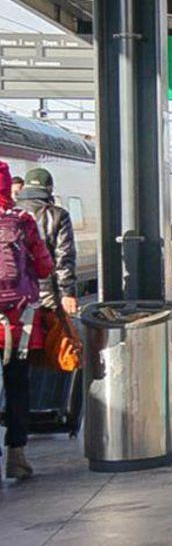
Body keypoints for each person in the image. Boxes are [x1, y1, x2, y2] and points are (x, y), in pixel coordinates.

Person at [0, 162, 55, 481]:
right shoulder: (21, 221)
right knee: (17, 385)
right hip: (16, 322)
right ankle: (16, 455)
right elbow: (45, 267)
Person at [15, 167, 78, 318]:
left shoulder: (9, 213)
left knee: (16, 334)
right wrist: (67, 292)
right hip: (46, 288)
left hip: (12, 289)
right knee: (48, 333)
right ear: (49, 189)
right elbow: (64, 255)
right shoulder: (58, 215)